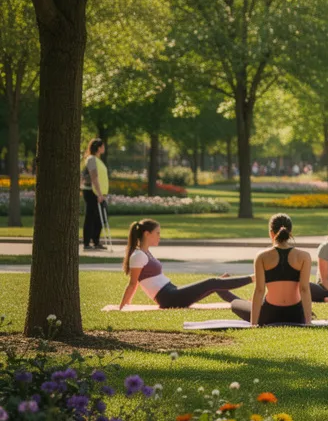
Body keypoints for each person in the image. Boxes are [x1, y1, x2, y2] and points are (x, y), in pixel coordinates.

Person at [117, 219, 252, 309]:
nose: (159, 236)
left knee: (215, 284)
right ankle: (253, 278)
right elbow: (133, 283)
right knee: (213, 282)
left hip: (172, 293)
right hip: (169, 297)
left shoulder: (145, 253)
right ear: (147, 234)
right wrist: (123, 307)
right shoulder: (138, 255)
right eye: (157, 233)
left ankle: (245, 305)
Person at [230, 214, 313, 326]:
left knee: (236, 303)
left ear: (271, 232)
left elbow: (259, 290)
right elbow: (304, 289)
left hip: (269, 314)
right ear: (290, 232)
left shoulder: (262, 256)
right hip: (296, 315)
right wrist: (308, 321)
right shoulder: (304, 256)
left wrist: (253, 324)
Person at [80, 138, 109, 250]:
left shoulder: (97, 159)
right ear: (98, 148)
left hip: (97, 192)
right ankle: (87, 243)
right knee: (91, 216)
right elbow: (94, 177)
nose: (104, 148)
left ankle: (95, 241)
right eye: (103, 146)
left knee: (100, 216)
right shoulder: (91, 159)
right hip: (91, 191)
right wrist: (99, 193)